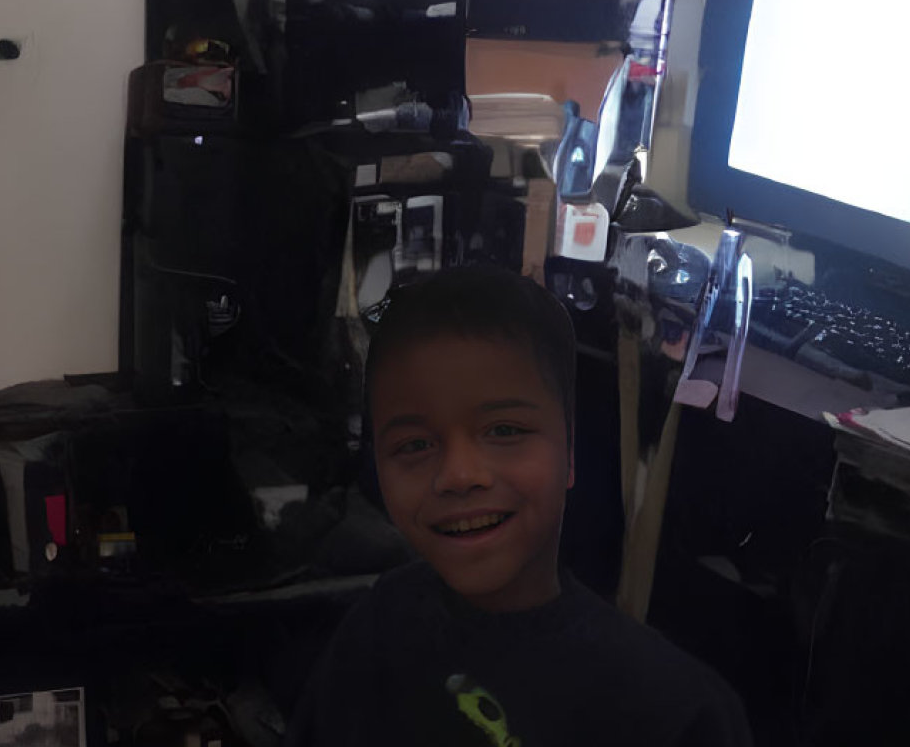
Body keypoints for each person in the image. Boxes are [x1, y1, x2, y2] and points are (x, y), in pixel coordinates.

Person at [289, 264, 752, 746]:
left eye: (504, 431)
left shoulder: (674, 715)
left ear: (569, 454)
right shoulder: (379, 624)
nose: (459, 476)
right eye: (414, 445)